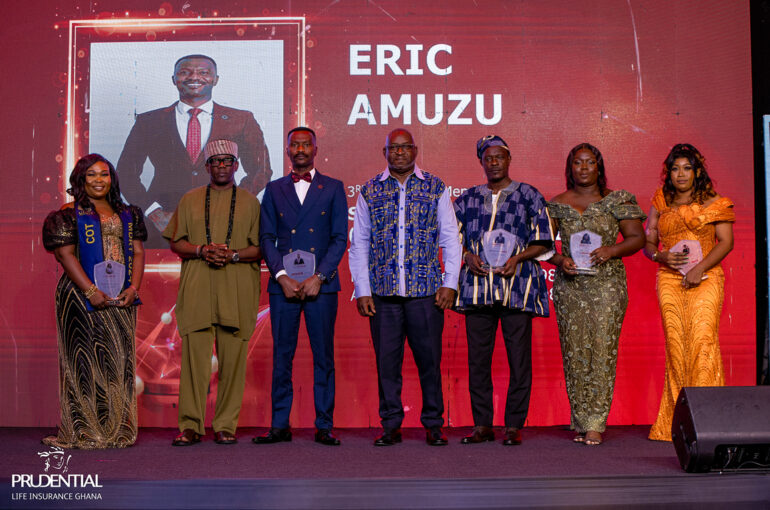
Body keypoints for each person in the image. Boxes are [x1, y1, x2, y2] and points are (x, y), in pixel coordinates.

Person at [349, 128, 461, 446]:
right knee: (387, 364)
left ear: (415, 151)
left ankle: (433, 424)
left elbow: (450, 238)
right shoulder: (370, 190)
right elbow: (360, 242)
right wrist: (363, 290)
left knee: (429, 362)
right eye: (393, 148)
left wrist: (450, 283)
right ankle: (390, 425)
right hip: (383, 295)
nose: (399, 153)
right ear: (384, 153)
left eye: (405, 147)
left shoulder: (435, 187)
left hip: (426, 293)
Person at [454, 135, 553, 446]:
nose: (494, 162)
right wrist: (466, 255)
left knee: (519, 360)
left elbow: (544, 239)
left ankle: (513, 425)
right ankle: (482, 425)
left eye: (499, 156)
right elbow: (449, 236)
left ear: (509, 159)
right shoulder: (468, 199)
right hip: (477, 289)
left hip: (517, 287)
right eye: (488, 157)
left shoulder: (529, 195)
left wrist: (518, 258)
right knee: (477, 361)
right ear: (481, 161)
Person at [42, 154, 147, 448]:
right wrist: (90, 291)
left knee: (117, 360)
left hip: (120, 295)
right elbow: (65, 255)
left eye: (104, 174)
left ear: (112, 179)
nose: (99, 180)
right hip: (80, 296)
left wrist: (134, 287)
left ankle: (115, 429)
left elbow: (137, 252)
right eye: (91, 175)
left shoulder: (128, 212)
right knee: (83, 360)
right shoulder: (68, 213)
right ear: (80, 180)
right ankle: (83, 430)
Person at [162, 139, 262, 446]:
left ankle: (225, 425)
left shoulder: (250, 202)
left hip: (237, 288)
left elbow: (261, 249)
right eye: (215, 162)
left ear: (236, 166)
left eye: (227, 162)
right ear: (206, 166)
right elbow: (175, 241)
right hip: (199, 287)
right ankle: (191, 424)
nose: (221, 167)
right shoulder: (190, 199)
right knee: (194, 361)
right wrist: (201, 250)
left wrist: (231, 255)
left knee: (234, 361)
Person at [547, 143, 646, 446]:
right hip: (570, 288)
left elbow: (637, 238)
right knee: (574, 353)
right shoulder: (556, 204)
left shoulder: (616, 200)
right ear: (570, 168)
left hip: (607, 287)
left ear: (599, 167)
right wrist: (560, 261)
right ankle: (580, 419)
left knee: (602, 352)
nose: (584, 168)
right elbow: (543, 245)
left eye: (590, 163)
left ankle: (596, 422)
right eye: (578, 163)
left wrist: (611, 250)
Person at [118, 54, 272, 247]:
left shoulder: (241, 119)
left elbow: (262, 169)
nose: (194, 77)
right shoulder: (149, 121)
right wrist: (153, 212)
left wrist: (232, 203)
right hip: (165, 224)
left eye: (204, 72)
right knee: (165, 276)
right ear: (174, 79)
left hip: (224, 221)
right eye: (185, 72)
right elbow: (125, 173)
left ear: (215, 80)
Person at [255, 127, 348, 446]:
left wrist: (318, 277)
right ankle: (279, 424)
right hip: (284, 287)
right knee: (282, 356)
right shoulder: (274, 188)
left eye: (305, 144)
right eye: (294, 144)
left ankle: (324, 424)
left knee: (324, 357)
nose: (300, 149)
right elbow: (266, 238)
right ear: (287, 150)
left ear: (315, 148)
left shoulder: (334, 187)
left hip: (321, 286)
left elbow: (339, 239)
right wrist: (281, 276)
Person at [644, 143, 734, 442]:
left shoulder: (715, 203)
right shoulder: (660, 201)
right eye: (675, 168)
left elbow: (726, 242)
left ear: (697, 171)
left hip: (706, 277)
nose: (680, 174)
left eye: (686, 168)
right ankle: (675, 424)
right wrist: (660, 257)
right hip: (669, 280)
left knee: (702, 342)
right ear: (668, 173)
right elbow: (649, 243)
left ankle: (709, 422)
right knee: (676, 346)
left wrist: (699, 269)